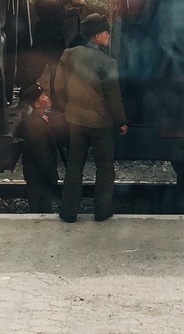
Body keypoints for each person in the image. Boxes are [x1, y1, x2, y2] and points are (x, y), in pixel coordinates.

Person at [57, 13, 128, 222]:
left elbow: (59, 87)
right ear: (97, 37)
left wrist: (68, 107)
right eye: (106, 33)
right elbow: (114, 98)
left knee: (74, 166)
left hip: (76, 121)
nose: (108, 36)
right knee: (105, 167)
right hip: (101, 124)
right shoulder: (108, 62)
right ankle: (102, 211)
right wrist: (122, 122)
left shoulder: (68, 55)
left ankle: (68, 212)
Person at [30, 0, 84, 107]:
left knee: (57, 73)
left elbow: (58, 14)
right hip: (46, 39)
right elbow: (49, 6)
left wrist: (75, 11)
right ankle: (28, 101)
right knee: (36, 72)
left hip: (56, 38)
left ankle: (56, 106)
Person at [17, 83, 61, 213]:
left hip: (38, 176)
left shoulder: (38, 120)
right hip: (39, 178)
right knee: (41, 212)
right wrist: (52, 175)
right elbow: (42, 154)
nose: (47, 98)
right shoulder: (37, 125)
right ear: (36, 104)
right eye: (43, 96)